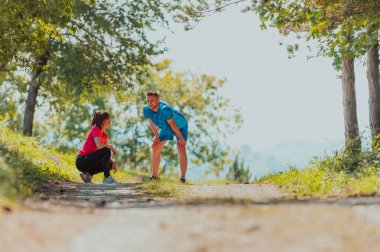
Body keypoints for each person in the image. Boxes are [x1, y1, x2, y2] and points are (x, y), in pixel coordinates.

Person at [143, 90, 188, 183]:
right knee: (155, 146)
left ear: (158, 100)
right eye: (147, 101)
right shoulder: (147, 109)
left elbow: (173, 125)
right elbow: (151, 122)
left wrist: (181, 138)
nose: (149, 103)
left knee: (181, 146)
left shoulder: (165, 109)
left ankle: (183, 178)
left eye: (152, 101)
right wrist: (156, 136)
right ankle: (154, 176)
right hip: (166, 127)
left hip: (180, 126)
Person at [76, 110, 118, 184]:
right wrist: (110, 146)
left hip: (89, 161)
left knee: (111, 164)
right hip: (82, 161)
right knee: (106, 150)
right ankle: (107, 178)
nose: (111, 121)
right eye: (110, 119)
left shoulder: (105, 135)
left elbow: (103, 154)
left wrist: (113, 161)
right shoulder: (96, 129)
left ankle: (87, 175)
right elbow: (99, 145)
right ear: (105, 120)